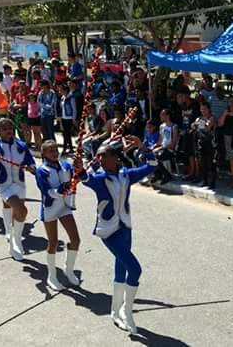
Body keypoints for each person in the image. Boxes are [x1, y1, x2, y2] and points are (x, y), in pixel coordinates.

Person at [76, 136, 157, 335]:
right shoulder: (100, 180)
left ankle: (115, 310)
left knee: (121, 269)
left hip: (125, 228)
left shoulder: (126, 175)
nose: (101, 160)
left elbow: (152, 165)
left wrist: (142, 147)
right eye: (99, 157)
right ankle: (126, 311)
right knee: (135, 270)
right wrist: (80, 167)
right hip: (108, 231)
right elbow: (84, 178)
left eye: (104, 156)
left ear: (115, 158)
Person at [35, 140, 81, 291]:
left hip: (65, 207)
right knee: (53, 242)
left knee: (75, 239)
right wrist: (61, 189)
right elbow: (46, 191)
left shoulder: (66, 165)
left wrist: (80, 168)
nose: (54, 153)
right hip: (50, 208)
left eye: (56, 149)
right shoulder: (42, 170)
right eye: (50, 151)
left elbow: (81, 178)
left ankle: (69, 270)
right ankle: (52, 276)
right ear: (44, 154)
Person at [0, 118, 36, 261]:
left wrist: (31, 167)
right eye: (4, 128)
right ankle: (16, 242)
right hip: (3, 184)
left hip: (20, 184)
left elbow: (30, 162)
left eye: (10, 127)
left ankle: (10, 232)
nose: (8, 130)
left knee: (15, 211)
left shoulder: (21, 145)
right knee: (22, 211)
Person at [192, 102, 217, 189]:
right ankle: (205, 181)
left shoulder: (212, 118)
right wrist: (196, 125)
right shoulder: (199, 118)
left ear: (209, 109)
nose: (203, 111)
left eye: (205, 109)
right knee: (202, 163)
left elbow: (207, 128)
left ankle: (212, 183)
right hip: (200, 143)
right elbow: (193, 126)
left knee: (211, 164)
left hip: (210, 144)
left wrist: (198, 125)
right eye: (201, 109)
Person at [218, 98, 233, 188]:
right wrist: (225, 114)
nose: (232, 104)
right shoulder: (225, 112)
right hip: (228, 137)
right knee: (232, 160)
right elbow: (220, 124)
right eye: (230, 102)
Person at [152, 109, 179, 184]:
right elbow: (160, 140)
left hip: (170, 149)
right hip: (162, 148)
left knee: (157, 157)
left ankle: (167, 175)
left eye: (162, 114)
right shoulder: (161, 126)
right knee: (149, 155)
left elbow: (173, 143)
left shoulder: (174, 127)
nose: (160, 116)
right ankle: (158, 175)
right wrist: (154, 146)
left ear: (168, 116)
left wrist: (161, 148)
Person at [59, 84, 76, 154]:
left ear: (65, 90)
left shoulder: (71, 98)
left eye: (61, 90)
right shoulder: (62, 98)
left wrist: (73, 118)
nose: (60, 91)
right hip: (63, 117)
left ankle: (67, 147)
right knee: (64, 133)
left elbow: (74, 109)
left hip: (69, 118)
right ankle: (67, 147)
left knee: (67, 133)